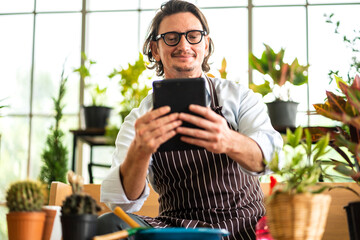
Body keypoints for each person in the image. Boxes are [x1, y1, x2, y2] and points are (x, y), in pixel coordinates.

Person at [98, 0, 283, 239]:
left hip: (244, 227)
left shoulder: (239, 98)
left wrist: (228, 140)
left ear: (205, 45)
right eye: (171, 37)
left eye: (193, 36)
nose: (183, 45)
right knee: (109, 225)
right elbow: (121, 205)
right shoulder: (140, 119)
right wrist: (140, 151)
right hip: (178, 230)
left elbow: (273, 157)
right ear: (156, 49)